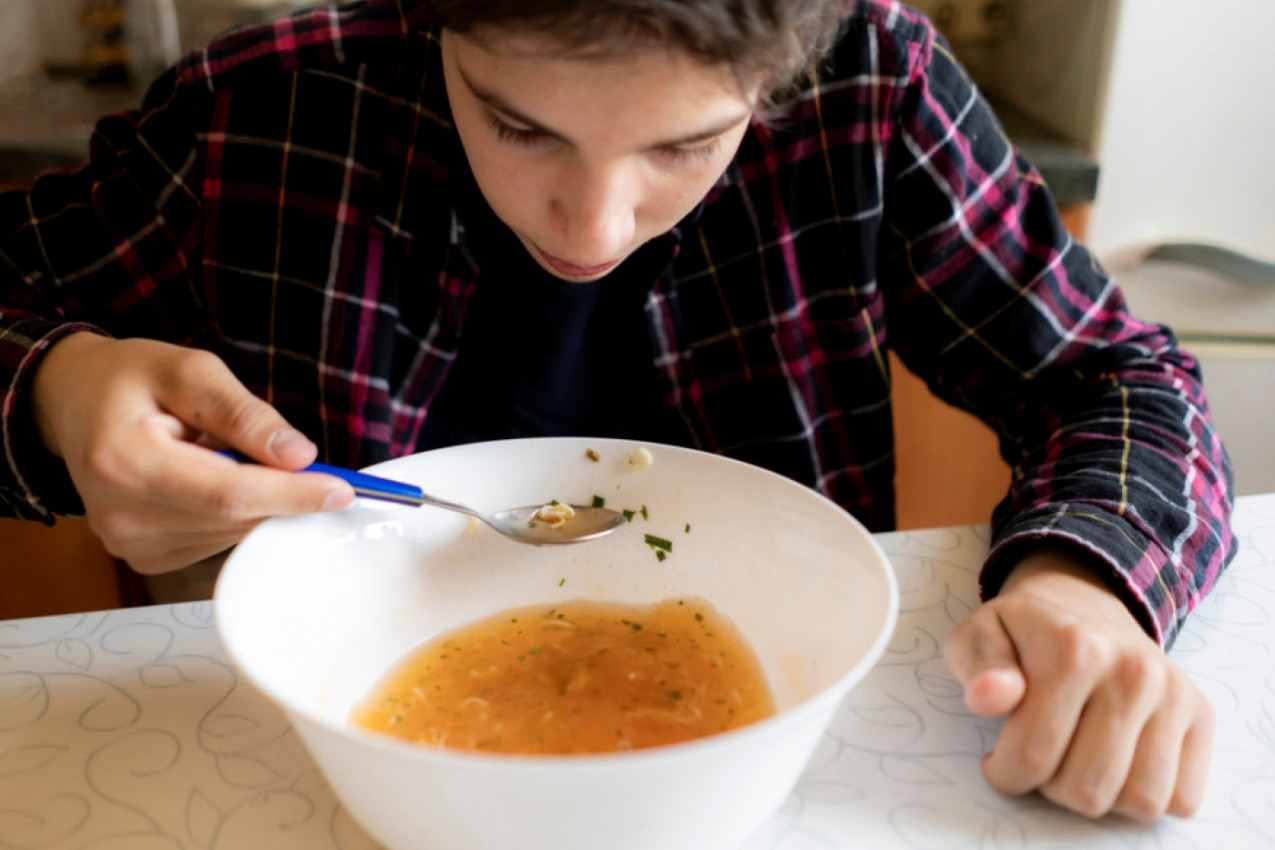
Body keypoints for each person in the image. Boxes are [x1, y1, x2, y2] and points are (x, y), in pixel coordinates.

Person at [0, 0, 1233, 823]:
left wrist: (1082, 582)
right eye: (516, 124)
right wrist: (59, 390)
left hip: (775, 789)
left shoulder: (876, 83)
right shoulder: (257, 116)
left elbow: (1116, 377)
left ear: (781, 76)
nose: (591, 226)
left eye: (686, 145)